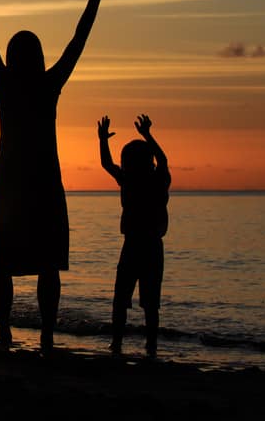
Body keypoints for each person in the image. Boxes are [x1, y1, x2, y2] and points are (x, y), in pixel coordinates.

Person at [0, 0, 107, 352]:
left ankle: (11, 330)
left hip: (20, 177)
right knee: (38, 262)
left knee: (14, 260)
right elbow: (78, 39)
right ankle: (39, 331)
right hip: (36, 178)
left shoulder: (16, 82)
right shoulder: (42, 83)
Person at [98, 114, 171, 358]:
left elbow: (161, 160)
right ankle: (137, 345)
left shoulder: (152, 180)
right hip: (139, 246)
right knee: (138, 301)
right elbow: (108, 165)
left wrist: (147, 136)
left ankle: (131, 344)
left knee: (137, 301)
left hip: (145, 245)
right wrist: (147, 136)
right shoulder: (136, 179)